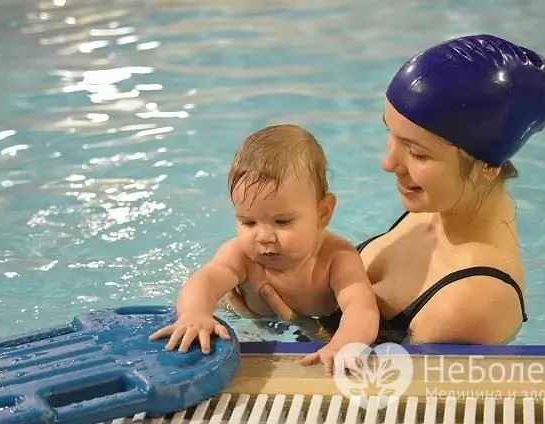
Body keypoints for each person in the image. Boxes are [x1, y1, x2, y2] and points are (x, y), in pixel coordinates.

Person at [222, 34, 545, 345]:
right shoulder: (441, 205)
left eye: (417, 153)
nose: (388, 162)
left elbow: (392, 396)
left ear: (487, 165)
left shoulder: (471, 303)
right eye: (391, 135)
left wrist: (298, 324)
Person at [149, 124, 381, 374]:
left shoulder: (337, 258)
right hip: (244, 318)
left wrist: (344, 343)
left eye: (282, 222)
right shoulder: (240, 254)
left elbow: (362, 308)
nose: (264, 237)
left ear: (322, 214)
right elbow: (206, 279)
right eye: (248, 222)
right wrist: (195, 313)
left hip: (314, 325)